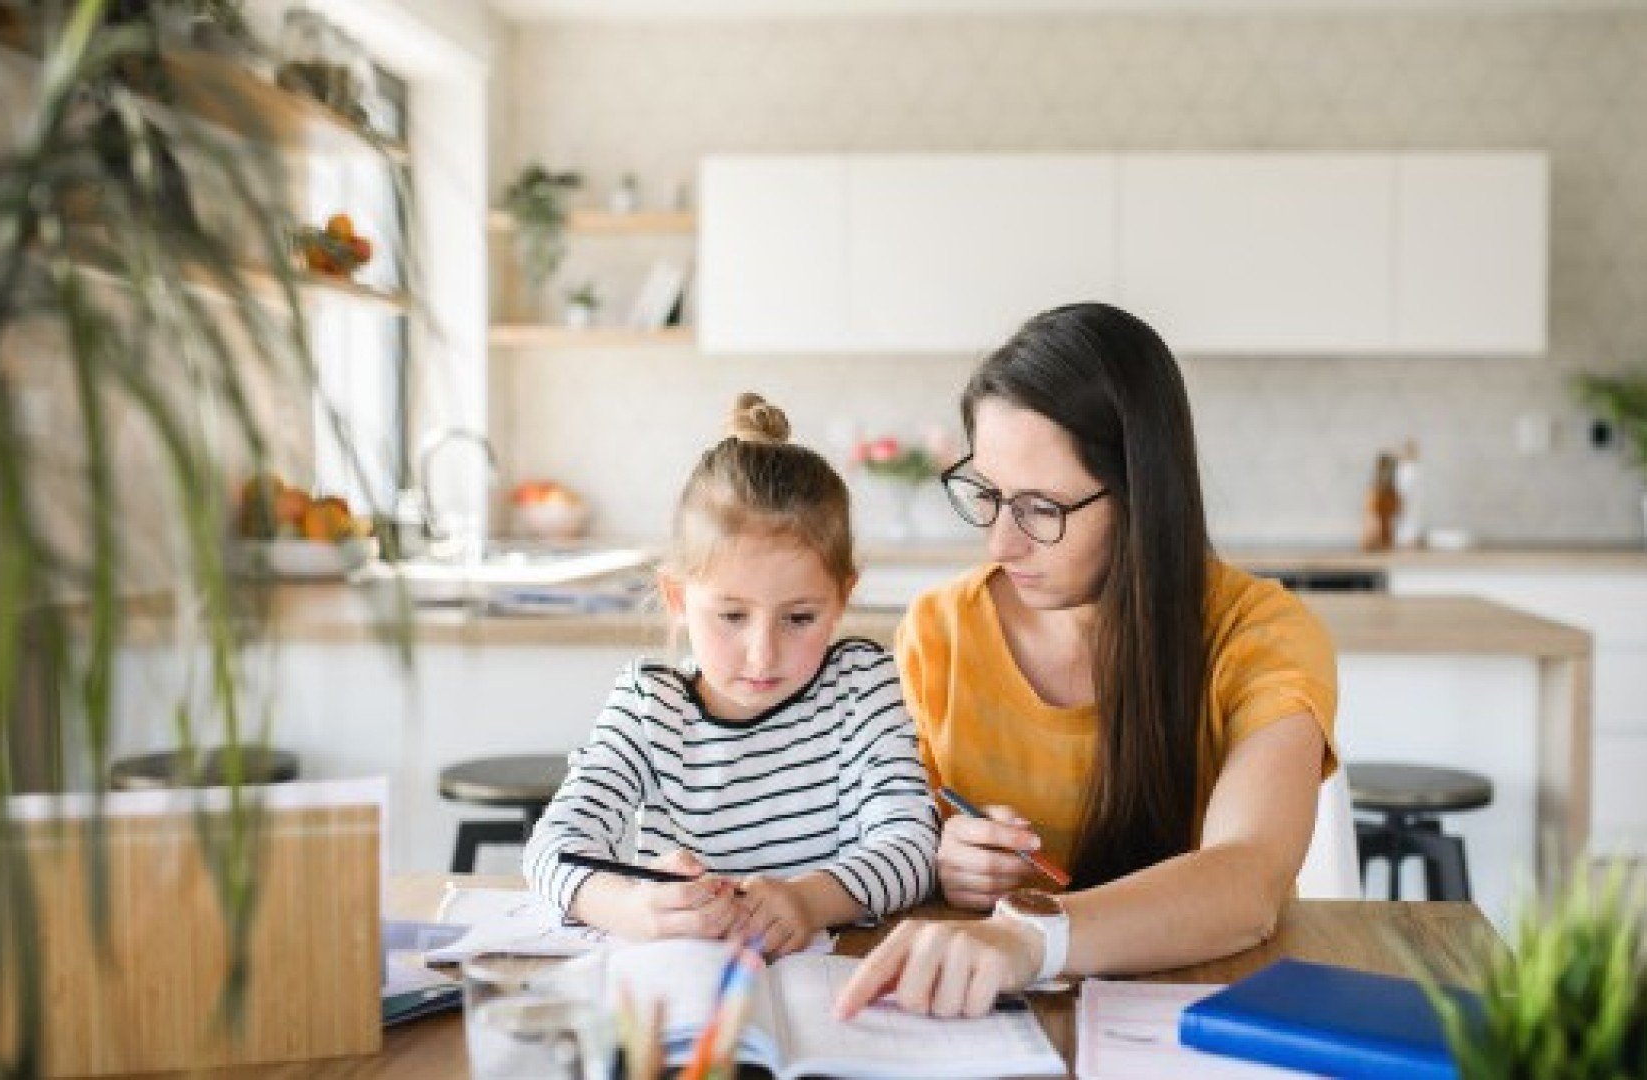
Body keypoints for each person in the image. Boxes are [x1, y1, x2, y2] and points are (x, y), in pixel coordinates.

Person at [835, 303, 1338, 1019]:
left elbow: (1249, 879)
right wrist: (942, 857)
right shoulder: (939, 631)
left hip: (1204, 1011)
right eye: (988, 495)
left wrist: (1031, 937)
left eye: (1041, 508)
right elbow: (888, 837)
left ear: (1139, 494)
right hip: (985, 1016)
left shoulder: (1261, 635)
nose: (1000, 544)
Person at [524, 393, 939, 957]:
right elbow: (551, 849)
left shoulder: (862, 687)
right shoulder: (649, 706)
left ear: (843, 597)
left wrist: (808, 902)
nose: (762, 655)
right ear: (678, 598)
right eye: (732, 617)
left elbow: (913, 849)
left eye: (799, 618)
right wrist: (629, 909)